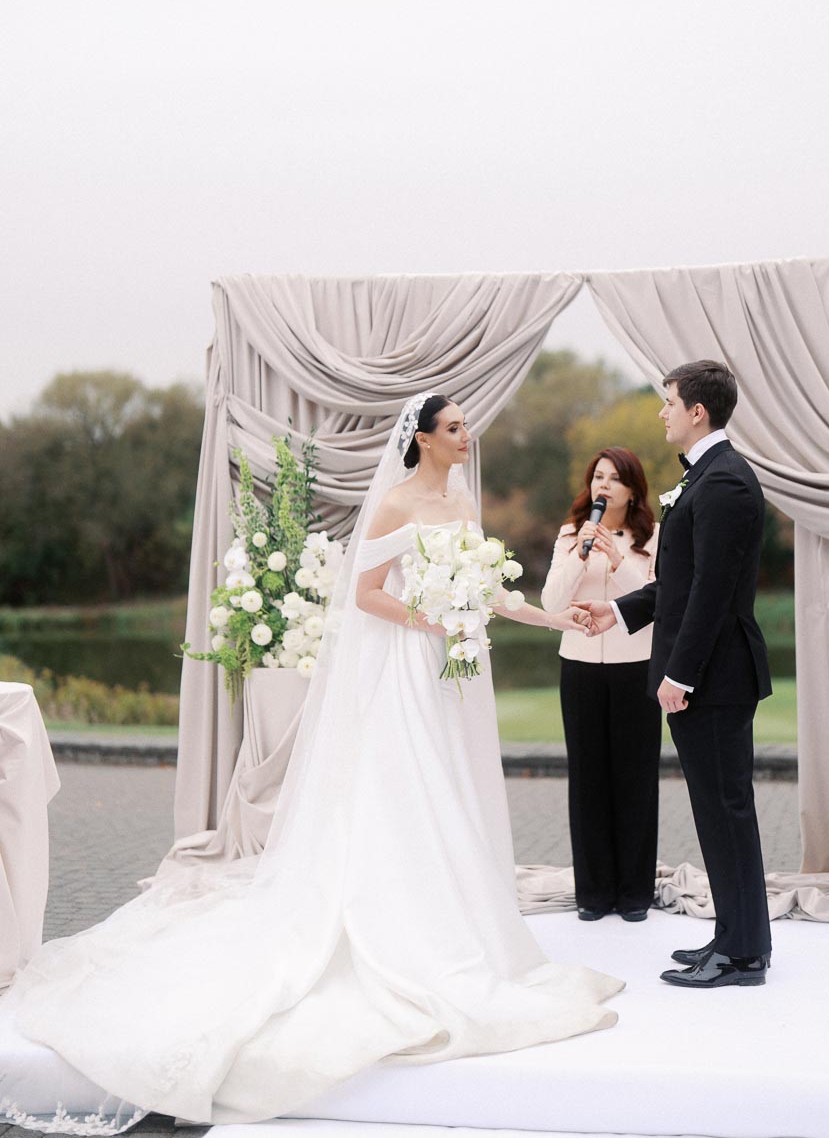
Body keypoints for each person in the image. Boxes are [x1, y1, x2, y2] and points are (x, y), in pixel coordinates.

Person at [1, 392, 623, 1133]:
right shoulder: (393, 505)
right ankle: (394, 928)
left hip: (452, 672)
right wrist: (433, 618)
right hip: (405, 673)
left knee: (450, 795)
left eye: (464, 428)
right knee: (406, 794)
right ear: (423, 439)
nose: (466, 438)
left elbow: (489, 590)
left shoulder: (459, 503)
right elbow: (363, 596)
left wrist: (555, 616)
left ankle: (454, 922)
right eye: (455, 429)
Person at [574, 361, 772, 988]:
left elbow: (712, 595)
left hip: (714, 678)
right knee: (719, 810)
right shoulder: (707, 478)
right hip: (707, 677)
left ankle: (742, 955)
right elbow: (680, 585)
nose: (661, 412)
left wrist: (681, 675)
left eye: (668, 402)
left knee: (725, 809)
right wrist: (619, 610)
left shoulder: (726, 484)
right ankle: (738, 939)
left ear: (697, 412)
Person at [541, 447, 660, 923]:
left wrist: (617, 561)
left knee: (635, 779)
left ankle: (634, 894)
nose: (603, 485)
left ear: (632, 490)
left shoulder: (652, 537)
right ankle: (593, 893)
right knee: (587, 779)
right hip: (581, 666)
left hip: (636, 666)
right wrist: (578, 554)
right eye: (597, 477)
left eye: (613, 478)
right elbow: (552, 602)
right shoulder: (570, 534)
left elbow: (654, 601)